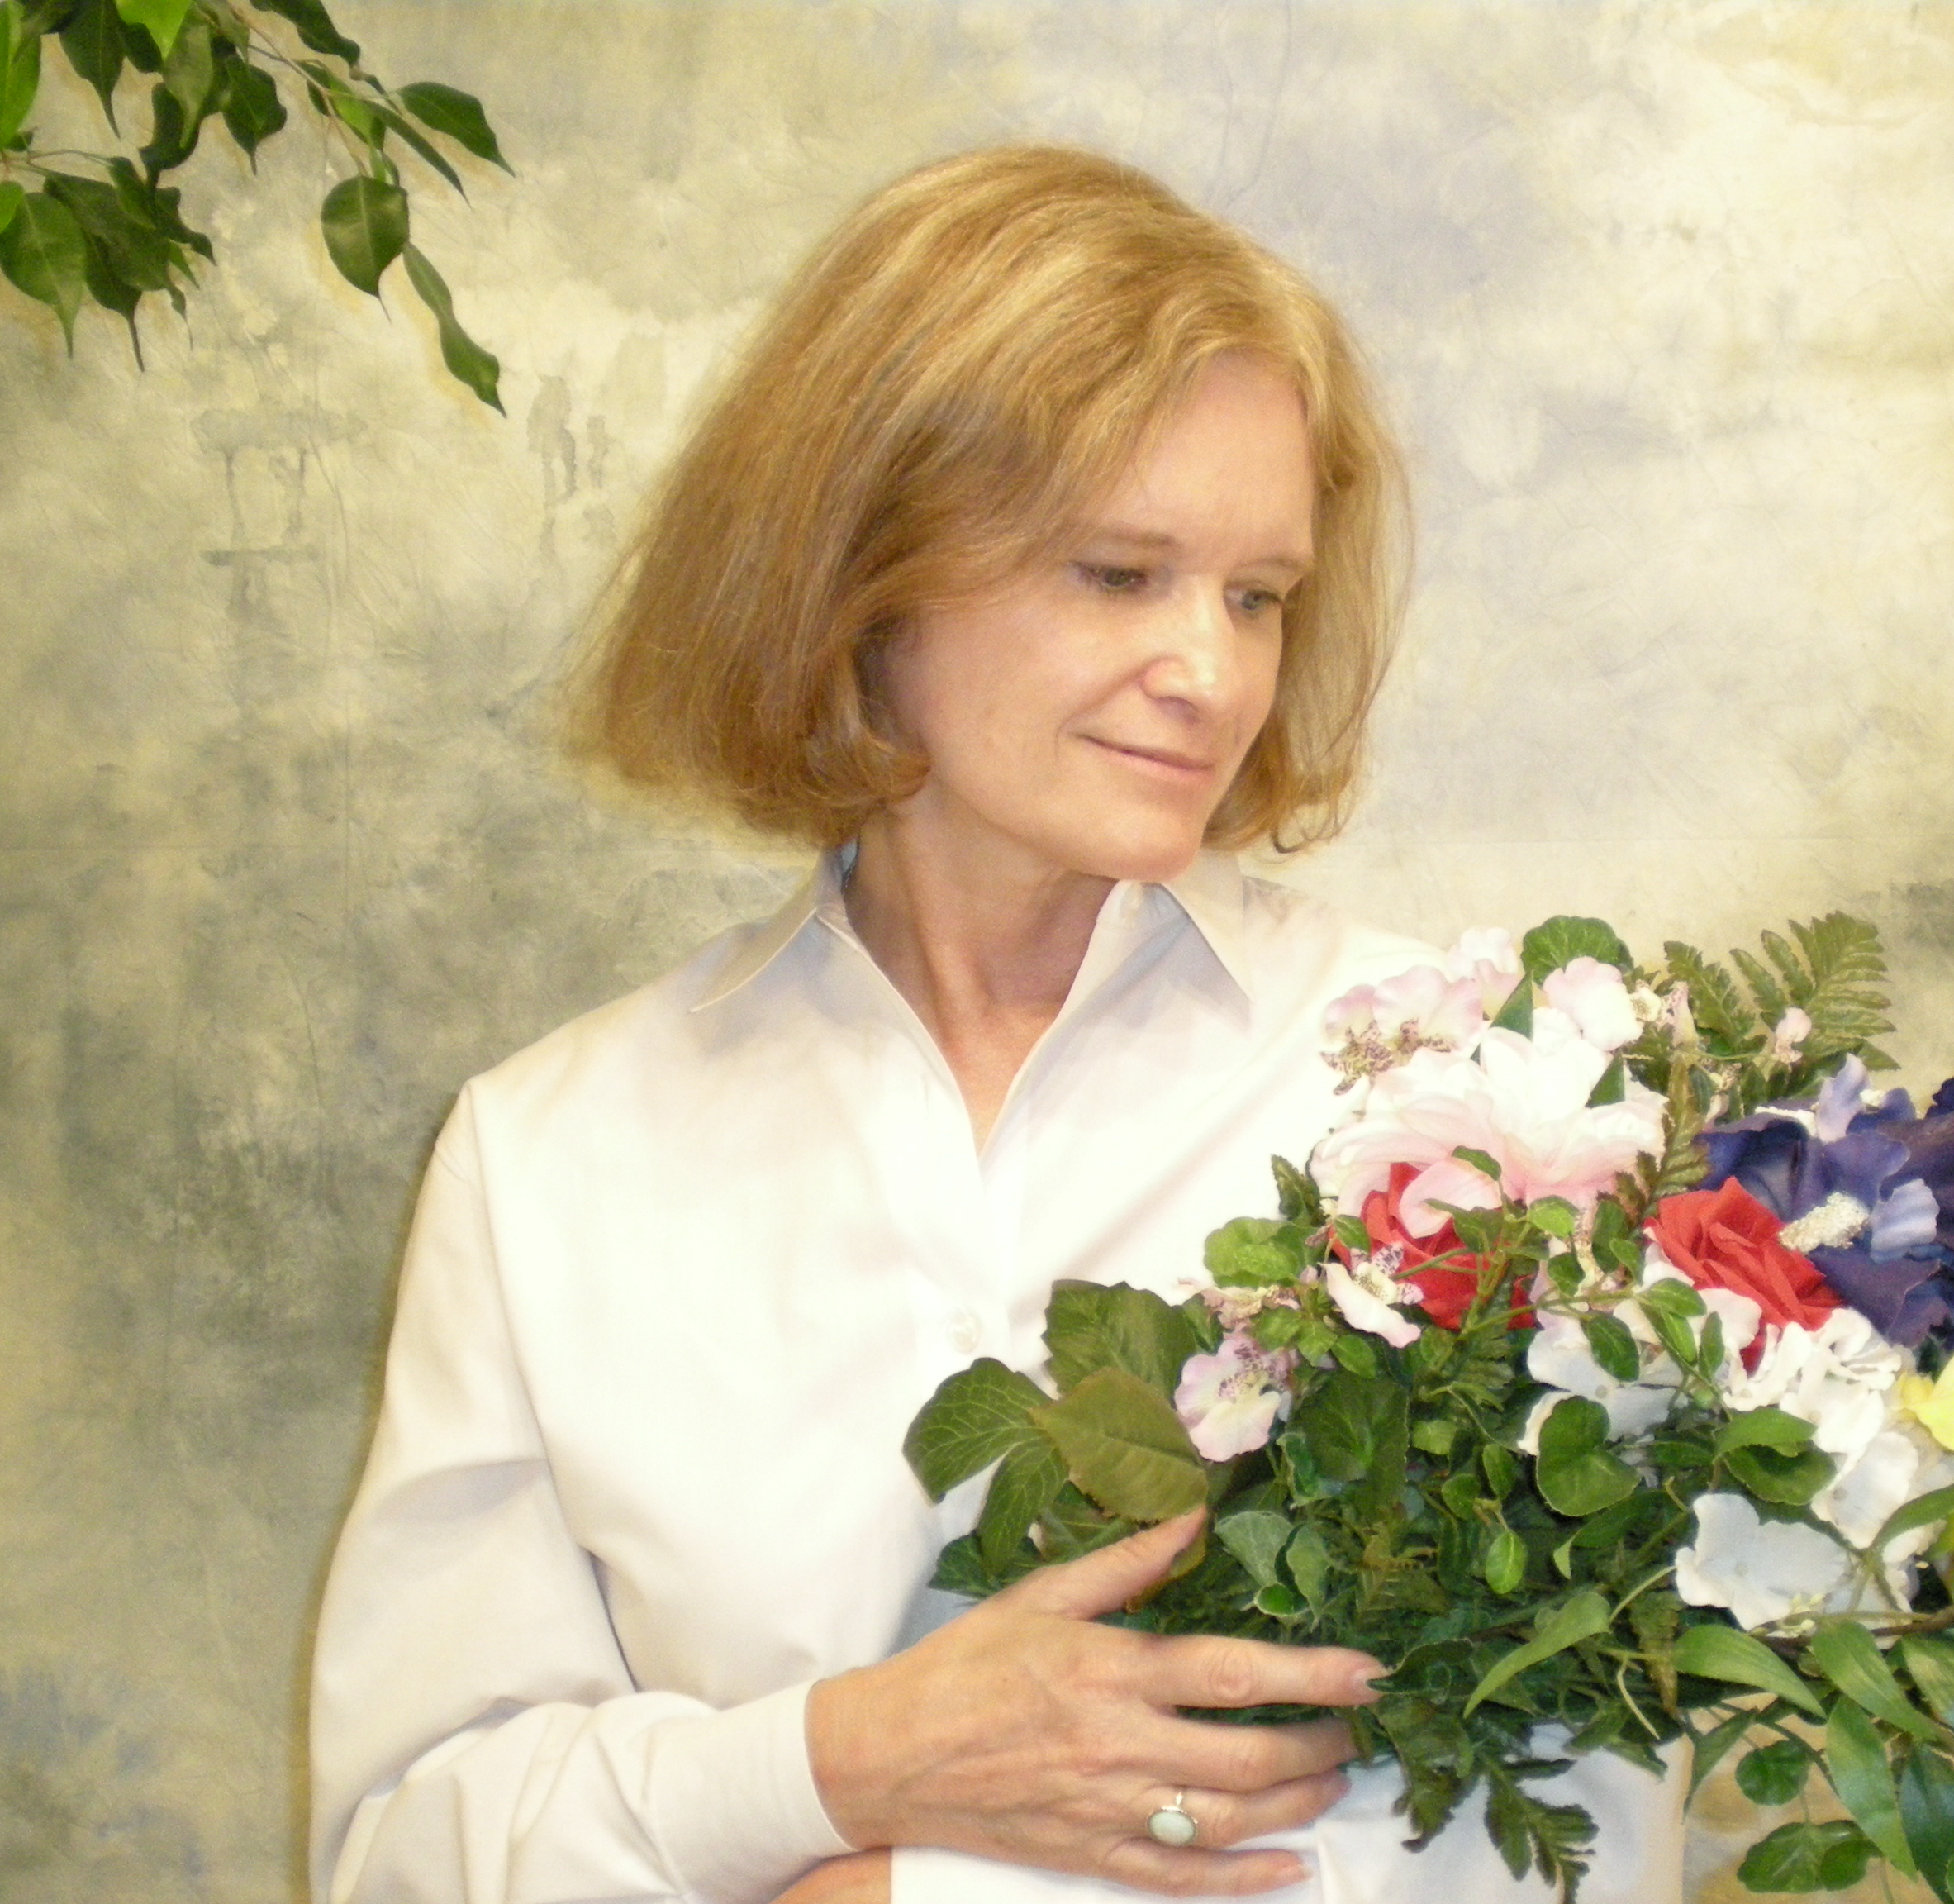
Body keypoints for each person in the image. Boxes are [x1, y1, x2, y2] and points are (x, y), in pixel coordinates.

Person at [307, 145, 1684, 1904]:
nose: (1212, 674)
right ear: (859, 577)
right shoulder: (546, 1158)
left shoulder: (1470, 1100)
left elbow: (1585, 1811)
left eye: (1256, 594)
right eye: (1118, 573)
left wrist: (885, 1892)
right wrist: (845, 1759)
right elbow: (405, 1842)